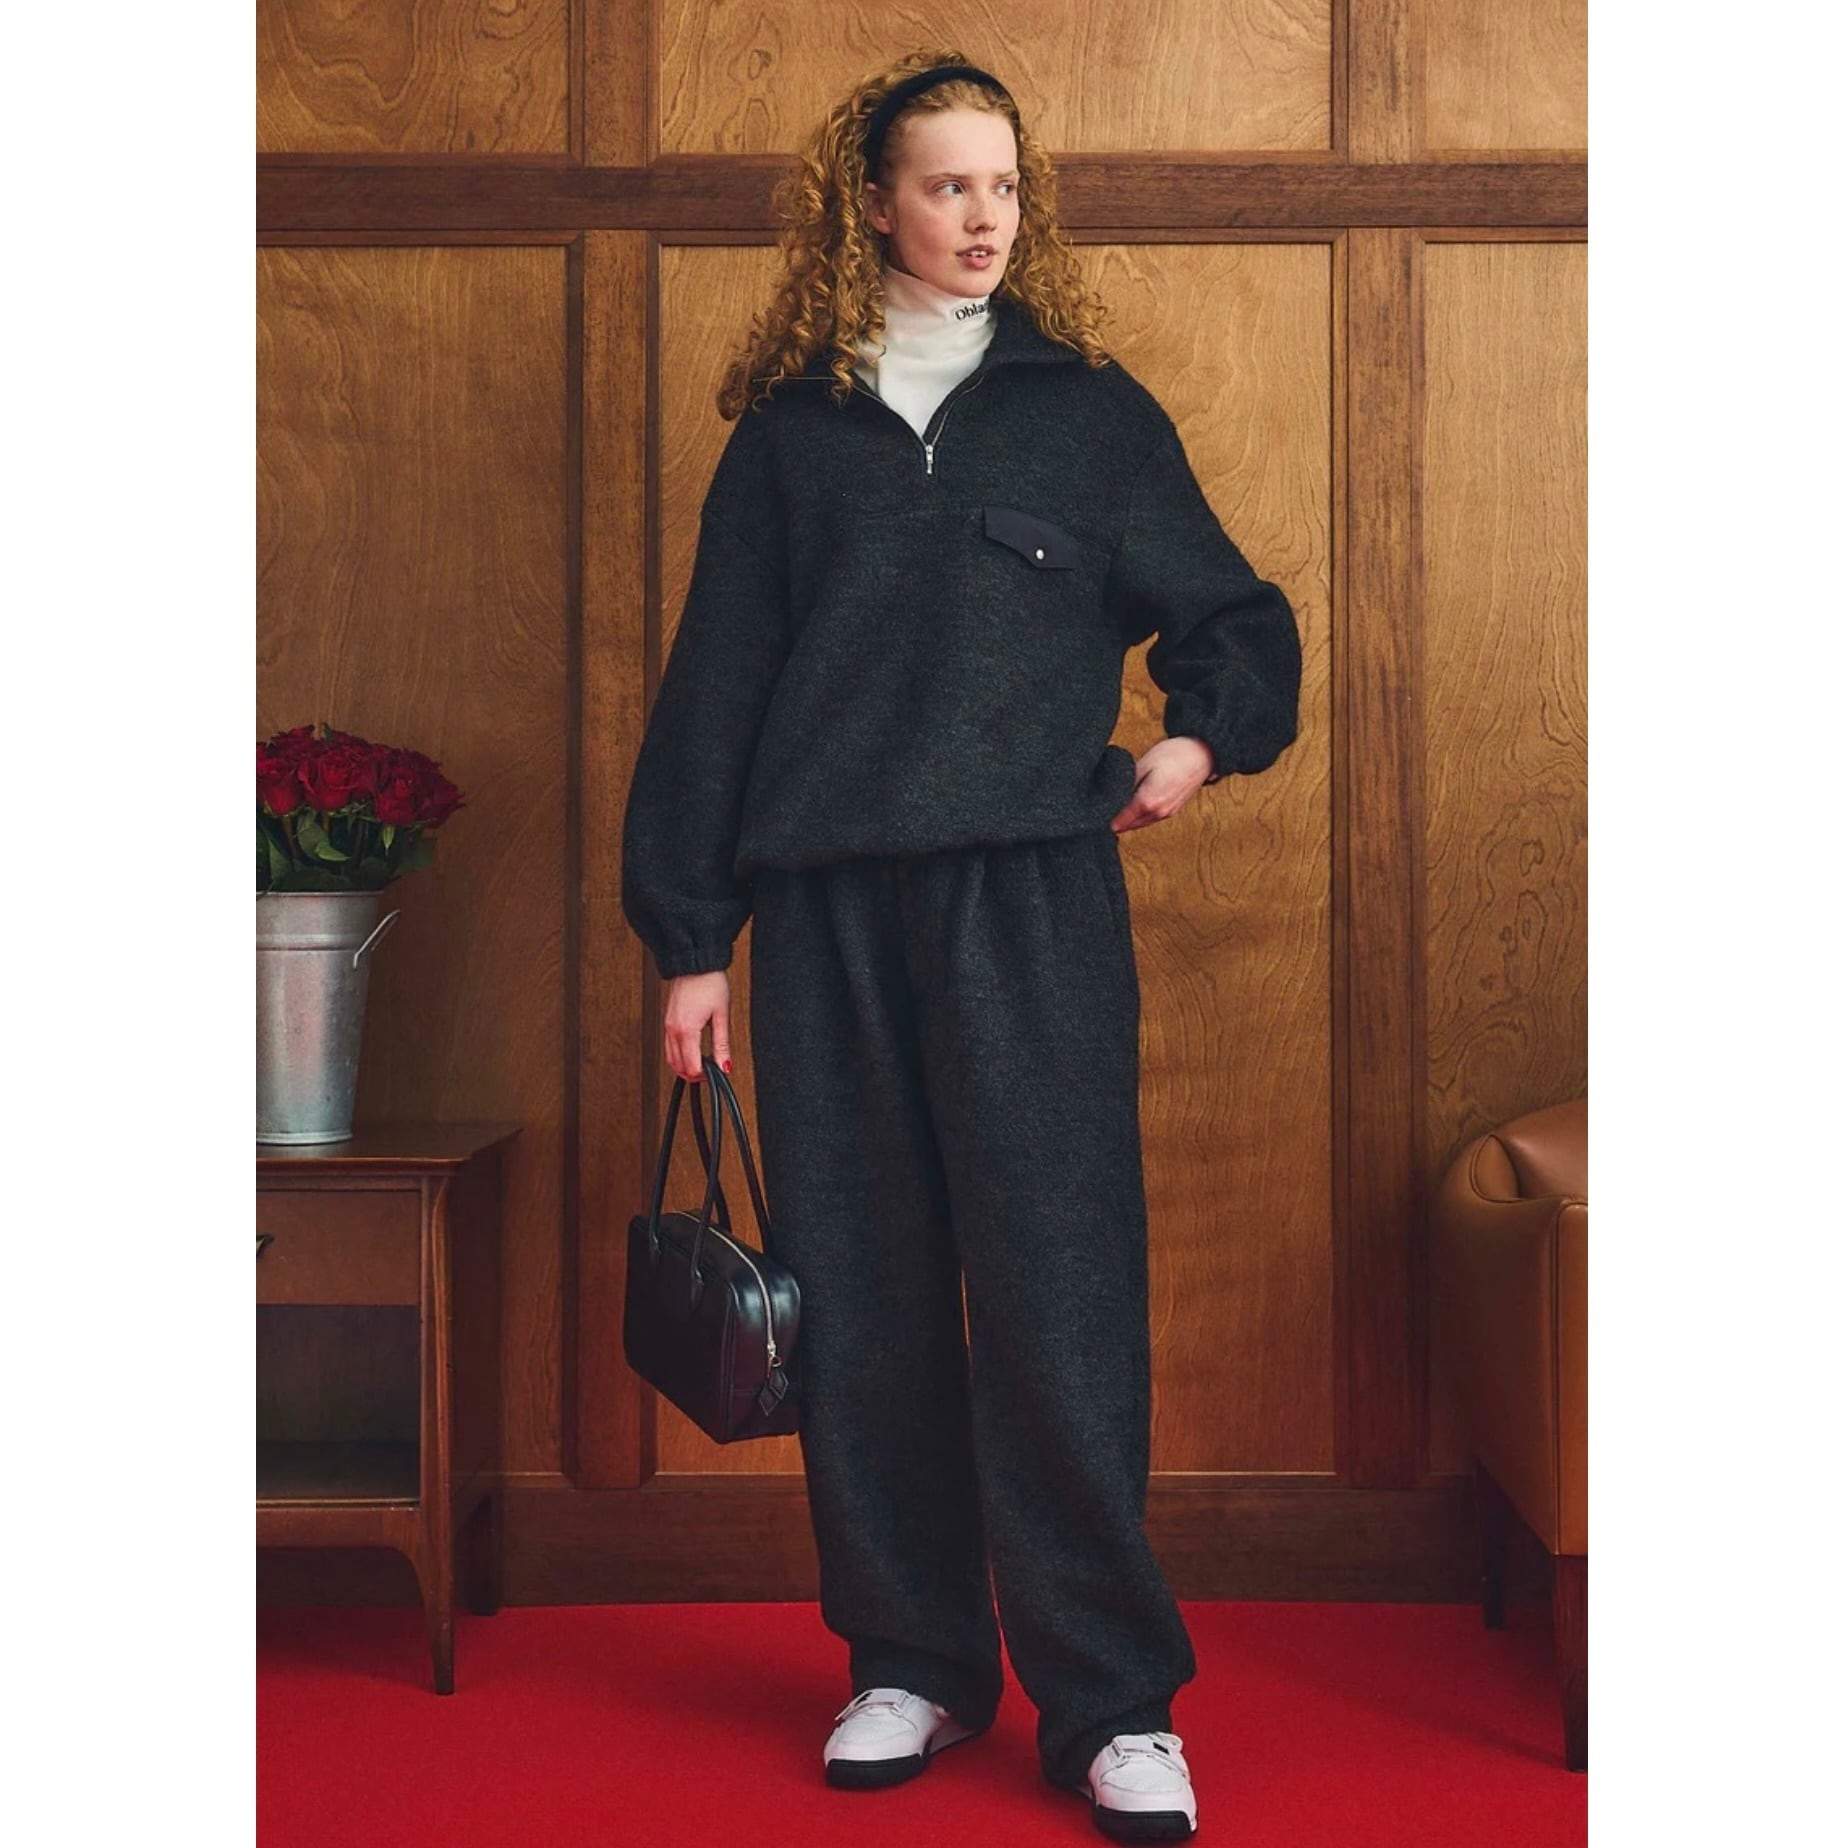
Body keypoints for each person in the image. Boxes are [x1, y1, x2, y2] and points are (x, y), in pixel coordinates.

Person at [620, 50, 1303, 1844]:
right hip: (828, 907)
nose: (985, 216)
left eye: (1005, 185)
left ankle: (1113, 1703)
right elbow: (716, 693)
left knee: (1061, 1294)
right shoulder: (793, 436)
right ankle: (910, 1660)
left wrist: (1199, 739)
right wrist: (691, 943)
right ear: (873, 204)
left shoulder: (1090, 416)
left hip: (1030, 900)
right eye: (947, 185)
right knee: (862, 1296)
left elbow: (1234, 617)